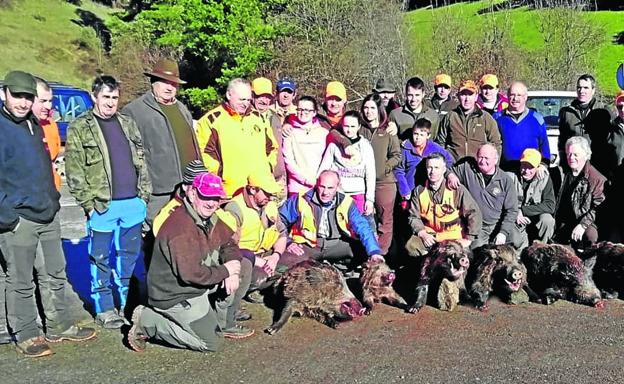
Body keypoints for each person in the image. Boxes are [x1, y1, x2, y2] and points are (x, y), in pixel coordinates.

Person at [0, 70, 95, 357]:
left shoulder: (34, 124)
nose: (23, 102)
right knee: (20, 280)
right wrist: (8, 217)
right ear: (4, 93)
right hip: (18, 219)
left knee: (54, 272)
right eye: (17, 96)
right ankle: (27, 334)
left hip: (47, 212)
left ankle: (58, 325)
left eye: (28, 97)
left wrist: (53, 200)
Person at [127, 172, 254, 353]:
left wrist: (232, 268)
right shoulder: (180, 229)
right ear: (192, 194)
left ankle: (222, 323)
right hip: (177, 294)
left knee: (243, 267)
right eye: (206, 197)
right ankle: (148, 321)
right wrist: (225, 271)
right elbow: (191, 274)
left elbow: (229, 242)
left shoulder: (210, 216)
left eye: (216, 198)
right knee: (211, 344)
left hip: (199, 284)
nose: (211, 203)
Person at [65, 75, 152, 329]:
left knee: (129, 257)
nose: (111, 103)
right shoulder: (80, 127)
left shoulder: (127, 123)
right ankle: (104, 307)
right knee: (100, 257)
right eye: (106, 97)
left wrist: (143, 197)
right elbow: (74, 171)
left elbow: (142, 162)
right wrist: (88, 205)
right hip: (102, 205)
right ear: (94, 96)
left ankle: (129, 304)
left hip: (133, 204)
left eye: (114, 97)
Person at [122, 58, 201, 228]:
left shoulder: (182, 109)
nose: (169, 87)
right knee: (156, 237)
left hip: (188, 188)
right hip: (158, 192)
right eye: (164, 82)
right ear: (153, 82)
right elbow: (127, 157)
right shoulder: (134, 111)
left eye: (173, 83)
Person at [224, 170, 308, 302]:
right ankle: (252, 289)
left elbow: (281, 233)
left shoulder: (269, 205)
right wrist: (260, 262)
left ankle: (270, 284)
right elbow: (228, 247)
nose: (271, 196)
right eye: (267, 193)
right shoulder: (235, 209)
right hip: (245, 258)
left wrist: (275, 256)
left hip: (267, 253)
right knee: (260, 277)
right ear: (252, 190)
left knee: (301, 261)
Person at [279, 170, 384, 266]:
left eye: (330, 188)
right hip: (308, 246)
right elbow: (279, 220)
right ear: (317, 184)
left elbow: (362, 227)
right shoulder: (300, 199)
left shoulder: (346, 203)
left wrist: (374, 252)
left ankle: (344, 269)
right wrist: (288, 242)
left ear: (338, 187)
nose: (325, 192)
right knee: (285, 262)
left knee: (367, 253)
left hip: (336, 244)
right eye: (322, 186)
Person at [197, 78, 278, 197]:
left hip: (260, 191)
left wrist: (267, 168)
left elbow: (272, 148)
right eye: (241, 99)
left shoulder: (258, 118)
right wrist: (219, 176)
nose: (245, 103)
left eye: (248, 99)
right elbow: (204, 154)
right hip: (230, 192)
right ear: (229, 95)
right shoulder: (211, 121)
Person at [405, 153, 482, 257]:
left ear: (444, 169)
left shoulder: (456, 190)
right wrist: (422, 233)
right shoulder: (419, 191)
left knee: (460, 257)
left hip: (453, 237)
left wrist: (468, 239)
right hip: (431, 236)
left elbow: (474, 213)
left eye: (437, 168)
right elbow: (413, 217)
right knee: (411, 246)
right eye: (429, 167)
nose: (433, 172)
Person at [447, 144, 519, 248]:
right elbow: (445, 170)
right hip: (477, 225)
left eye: (486, 158)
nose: (482, 161)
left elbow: (512, 210)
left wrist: (503, 233)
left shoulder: (505, 180)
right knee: (478, 250)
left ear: (495, 160)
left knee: (516, 241)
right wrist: (450, 175)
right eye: (480, 157)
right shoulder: (467, 169)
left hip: (498, 224)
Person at [359, 93, 401, 255]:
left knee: (385, 221)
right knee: (366, 220)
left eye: (372, 108)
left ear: (379, 110)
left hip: (384, 183)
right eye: (366, 108)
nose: (369, 111)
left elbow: (396, 155)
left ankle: (382, 255)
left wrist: (384, 168)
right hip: (362, 182)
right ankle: (367, 253)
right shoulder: (359, 130)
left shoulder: (388, 131)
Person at [318, 111, 376, 217]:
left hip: (358, 194)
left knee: (357, 227)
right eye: (346, 126)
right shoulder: (333, 146)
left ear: (359, 127)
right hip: (339, 194)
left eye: (352, 126)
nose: (349, 130)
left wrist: (370, 200)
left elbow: (370, 174)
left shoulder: (365, 146)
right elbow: (323, 170)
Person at [554, 136, 606, 249]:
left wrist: (582, 225)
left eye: (575, 154)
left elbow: (598, 208)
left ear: (586, 155)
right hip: (563, 220)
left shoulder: (596, 178)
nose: (571, 157)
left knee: (591, 235)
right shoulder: (562, 173)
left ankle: (588, 263)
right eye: (568, 154)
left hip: (584, 221)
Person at [436, 80, 501, 161]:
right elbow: (440, 143)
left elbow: (496, 144)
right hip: (454, 168)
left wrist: (492, 166)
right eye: (463, 94)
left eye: (470, 94)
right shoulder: (450, 116)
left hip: (478, 168)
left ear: (476, 96)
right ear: (458, 96)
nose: (467, 99)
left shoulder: (485, 118)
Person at [394, 118, 454, 204]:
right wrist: (404, 190)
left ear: (428, 135)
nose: (418, 137)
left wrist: (442, 176)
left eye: (422, 135)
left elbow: (449, 161)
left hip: (429, 191)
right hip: (410, 191)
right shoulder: (405, 149)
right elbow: (398, 170)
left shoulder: (435, 148)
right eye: (416, 134)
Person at [494, 81, 550, 171]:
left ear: (525, 97)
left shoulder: (537, 118)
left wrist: (543, 165)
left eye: (519, 95)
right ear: (507, 96)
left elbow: (544, 145)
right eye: (512, 94)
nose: (515, 98)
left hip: (531, 171)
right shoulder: (497, 118)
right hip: (506, 171)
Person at [281, 96, 329, 195]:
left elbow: (327, 159)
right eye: (300, 109)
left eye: (307, 110)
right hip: (296, 187)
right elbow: (288, 160)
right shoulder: (289, 132)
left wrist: (319, 179)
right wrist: (305, 180)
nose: (303, 113)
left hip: (319, 186)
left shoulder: (324, 133)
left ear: (314, 112)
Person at [558, 74, 612, 159]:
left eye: (586, 88)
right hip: (574, 162)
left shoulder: (604, 111)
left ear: (593, 90)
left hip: (597, 162)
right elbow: (562, 141)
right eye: (579, 87)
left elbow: (611, 139)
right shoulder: (567, 113)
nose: (581, 91)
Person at [510, 148, 556, 248]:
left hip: (535, 218)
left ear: (538, 167)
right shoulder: (510, 177)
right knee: (516, 241)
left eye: (530, 167)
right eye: (523, 166)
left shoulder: (544, 178)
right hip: (516, 217)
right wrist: (516, 212)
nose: (526, 171)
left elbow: (550, 205)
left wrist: (523, 210)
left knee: (547, 220)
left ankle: (541, 249)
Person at [251, 77, 284, 187]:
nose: (264, 100)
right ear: (252, 95)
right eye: (260, 96)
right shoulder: (245, 118)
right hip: (256, 181)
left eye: (268, 97)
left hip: (277, 180)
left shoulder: (275, 117)